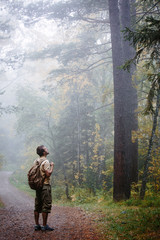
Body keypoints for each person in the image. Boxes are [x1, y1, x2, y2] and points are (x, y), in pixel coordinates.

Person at [34, 145, 54, 231]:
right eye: (46, 148)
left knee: (37, 205)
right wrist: (52, 166)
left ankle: (37, 225)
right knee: (46, 204)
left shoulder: (36, 161)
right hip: (45, 185)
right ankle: (44, 225)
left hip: (38, 185)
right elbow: (48, 174)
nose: (47, 149)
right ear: (43, 152)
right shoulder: (46, 162)